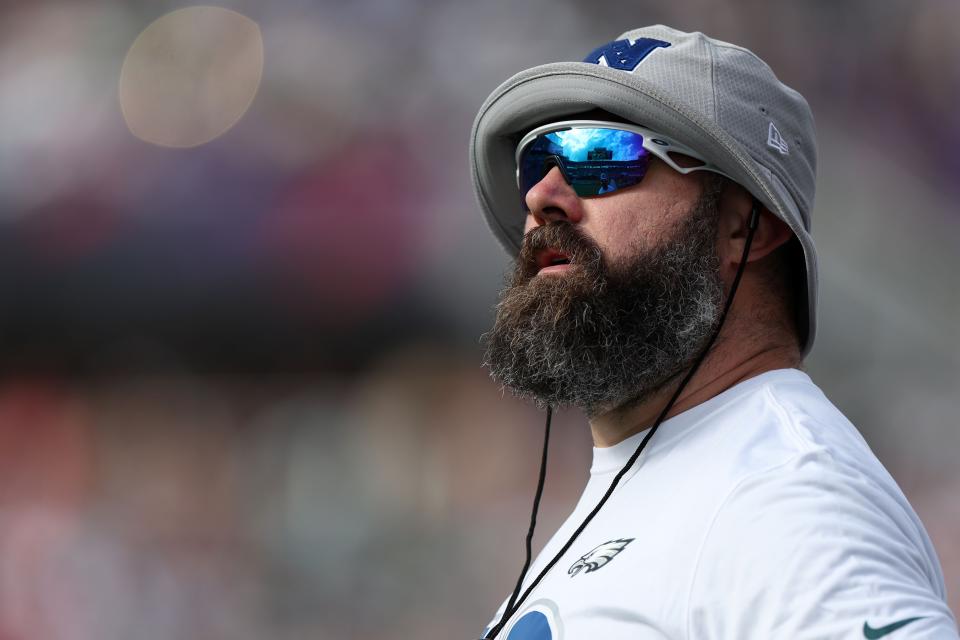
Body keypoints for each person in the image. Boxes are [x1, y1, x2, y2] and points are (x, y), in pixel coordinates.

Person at [468, 25, 958, 639]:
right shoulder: (679, 479)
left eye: (600, 154)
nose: (542, 195)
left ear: (742, 223)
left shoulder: (788, 495)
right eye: (535, 161)